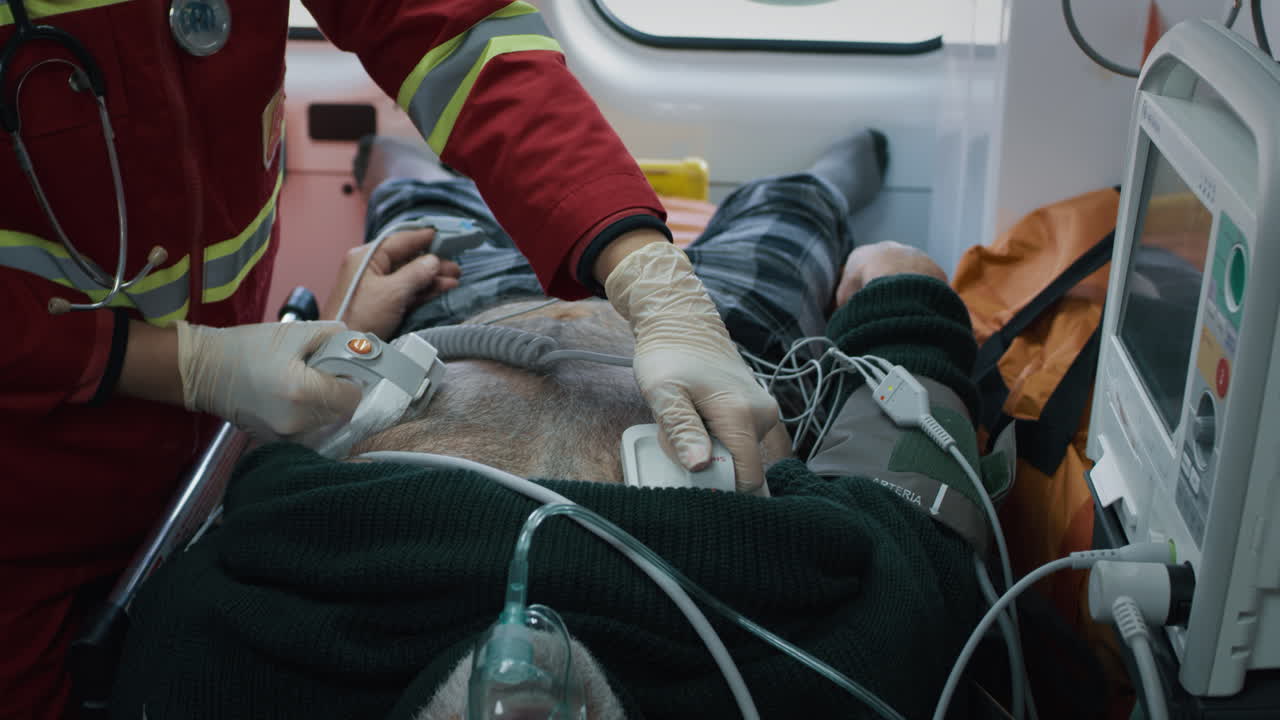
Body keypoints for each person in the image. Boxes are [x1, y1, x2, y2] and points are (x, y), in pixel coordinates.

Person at [0, 3, 778, 717]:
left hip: (217, 433)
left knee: (421, 213)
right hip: (24, 487)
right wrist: (178, 364)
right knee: (787, 212)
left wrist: (648, 269)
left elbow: (456, 35)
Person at [109, 134, 995, 719]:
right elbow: (921, 505)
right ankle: (825, 178)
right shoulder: (848, 680)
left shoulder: (205, 674)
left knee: (420, 216)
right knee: (789, 216)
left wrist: (347, 330)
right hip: (722, 350)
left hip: (437, 343)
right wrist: (899, 293)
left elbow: (249, 480)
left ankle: (396, 163)